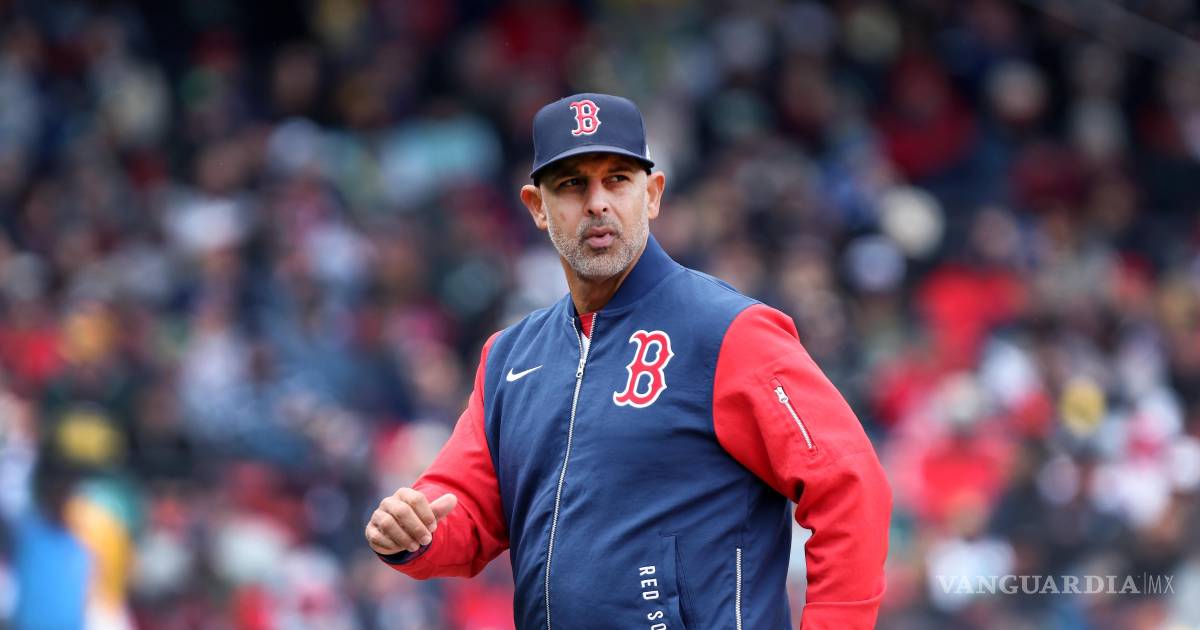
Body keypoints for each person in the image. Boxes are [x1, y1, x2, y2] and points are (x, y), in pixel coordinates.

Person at [365, 93, 891, 629]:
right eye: (572, 184)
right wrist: (413, 529)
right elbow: (466, 508)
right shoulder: (509, 357)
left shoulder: (729, 330)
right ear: (537, 207)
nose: (597, 203)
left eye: (616, 180)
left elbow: (848, 484)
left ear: (653, 194)